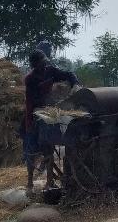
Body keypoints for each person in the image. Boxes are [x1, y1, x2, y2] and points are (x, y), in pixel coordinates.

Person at [23, 50, 78, 189]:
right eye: (40, 63)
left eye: (44, 62)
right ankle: (30, 180)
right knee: (30, 145)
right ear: (34, 64)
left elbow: (68, 74)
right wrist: (29, 121)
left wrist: (75, 84)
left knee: (48, 146)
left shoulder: (51, 71)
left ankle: (49, 181)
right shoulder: (30, 79)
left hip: (52, 108)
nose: (43, 64)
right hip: (37, 111)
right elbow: (30, 101)